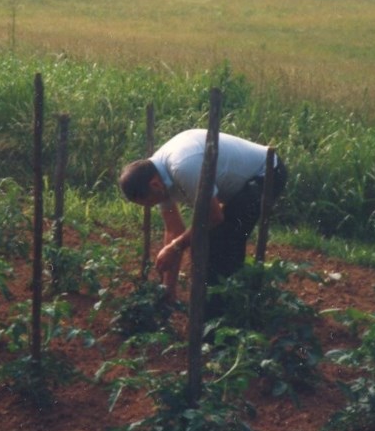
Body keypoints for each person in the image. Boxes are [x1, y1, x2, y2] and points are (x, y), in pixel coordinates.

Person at [118, 129, 287, 308]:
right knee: (204, 240)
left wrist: (175, 247)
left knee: (221, 242)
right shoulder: (157, 176)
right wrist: (168, 289)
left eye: (150, 202)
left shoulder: (182, 166)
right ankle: (218, 306)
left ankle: (224, 316)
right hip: (240, 184)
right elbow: (174, 231)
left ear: (154, 185)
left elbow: (213, 216)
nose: (152, 206)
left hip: (266, 174)